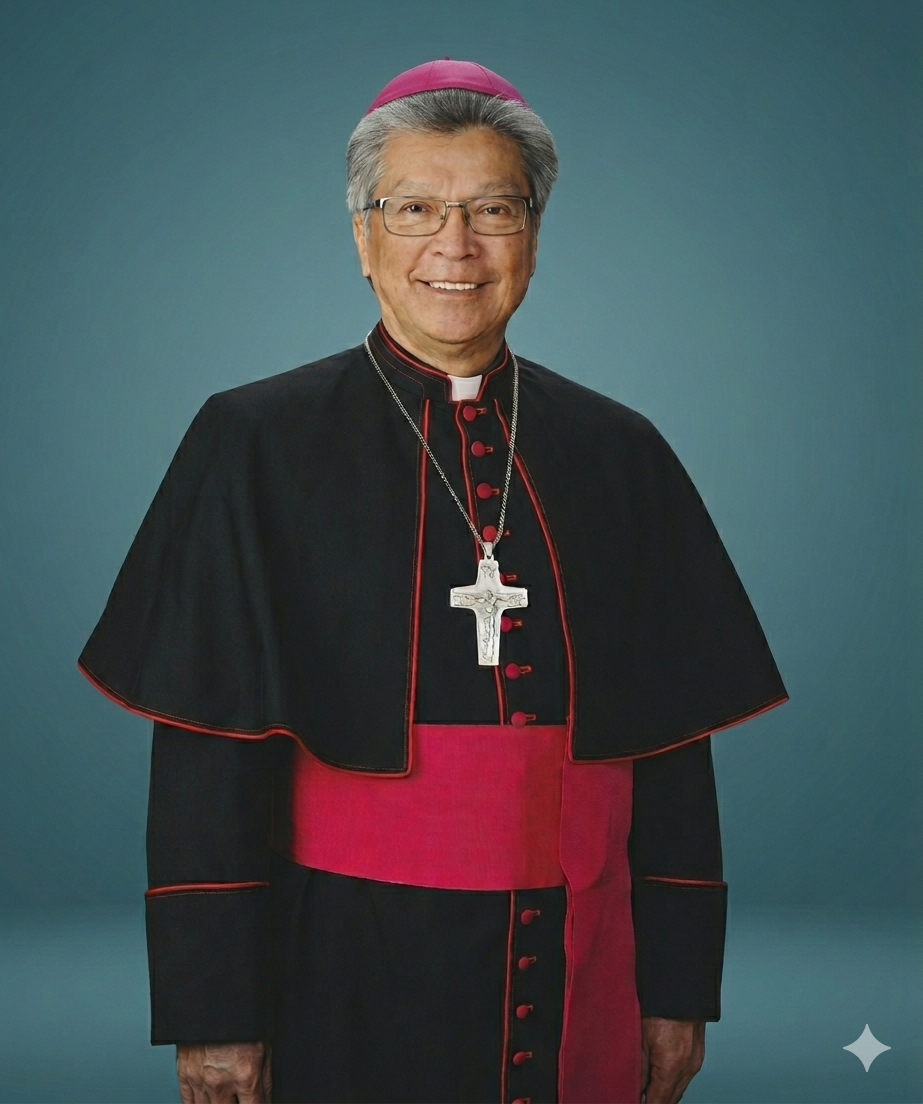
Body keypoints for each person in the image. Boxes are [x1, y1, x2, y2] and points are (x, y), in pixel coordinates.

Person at [79, 60, 787, 1104]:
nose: (455, 247)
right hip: (341, 956)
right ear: (363, 239)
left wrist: (677, 985)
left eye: (493, 208)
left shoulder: (619, 449)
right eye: (414, 208)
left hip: (576, 950)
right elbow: (204, 749)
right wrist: (213, 1009)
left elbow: (670, 749)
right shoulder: (253, 441)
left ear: (535, 236)